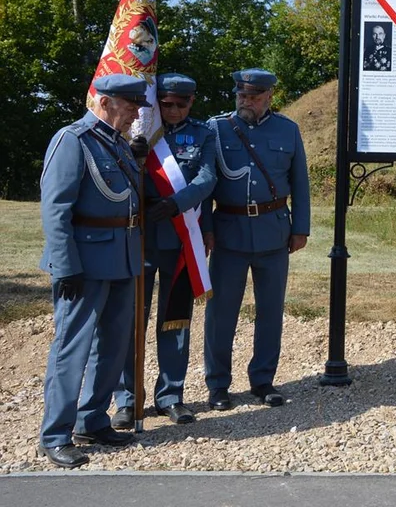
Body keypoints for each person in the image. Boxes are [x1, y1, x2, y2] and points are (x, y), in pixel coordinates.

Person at [37, 74, 149, 468]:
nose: (137, 111)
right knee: (73, 348)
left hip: (121, 258)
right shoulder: (73, 140)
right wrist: (65, 265)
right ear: (105, 102)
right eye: (130, 104)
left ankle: (93, 419)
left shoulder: (117, 144)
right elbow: (55, 208)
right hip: (84, 263)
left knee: (113, 346)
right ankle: (55, 434)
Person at [112, 74, 215, 428]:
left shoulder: (203, 134)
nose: (172, 110)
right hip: (138, 237)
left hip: (180, 238)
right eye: (166, 103)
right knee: (130, 321)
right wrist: (134, 157)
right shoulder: (132, 131)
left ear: (192, 102)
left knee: (176, 320)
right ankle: (127, 399)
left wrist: (174, 204)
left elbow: (206, 179)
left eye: (180, 104)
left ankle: (171, 395)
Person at [203, 68, 310, 410]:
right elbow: (205, 186)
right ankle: (218, 385)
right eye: (241, 95)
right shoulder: (216, 129)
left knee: (270, 312)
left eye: (252, 96)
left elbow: (301, 184)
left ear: (269, 97)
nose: (245, 101)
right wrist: (205, 228)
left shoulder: (288, 130)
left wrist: (300, 228)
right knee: (221, 314)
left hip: (273, 232)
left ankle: (262, 380)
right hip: (228, 233)